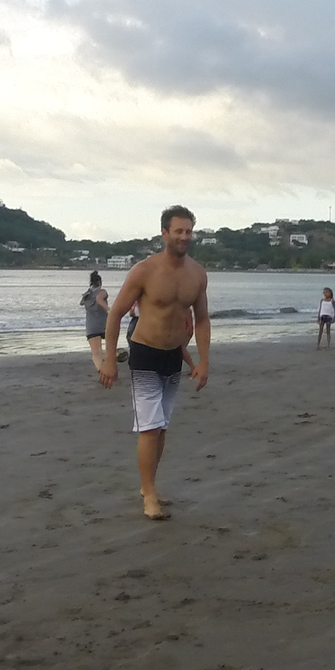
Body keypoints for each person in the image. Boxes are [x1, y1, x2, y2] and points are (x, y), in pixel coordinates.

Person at [98, 209, 211, 520]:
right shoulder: (144, 271)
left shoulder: (197, 274)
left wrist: (203, 360)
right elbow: (115, 313)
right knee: (149, 427)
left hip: (173, 355)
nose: (184, 237)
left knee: (161, 427)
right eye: (178, 231)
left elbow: (202, 319)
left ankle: (149, 486)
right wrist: (109, 359)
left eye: (188, 231)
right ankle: (148, 495)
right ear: (164, 233)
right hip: (145, 353)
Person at [81, 269, 112, 374]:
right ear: (100, 282)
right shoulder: (102, 292)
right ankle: (112, 358)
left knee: (95, 352)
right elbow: (99, 299)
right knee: (109, 347)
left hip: (91, 325)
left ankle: (100, 370)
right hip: (104, 324)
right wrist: (109, 309)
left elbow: (81, 303)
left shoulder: (87, 295)